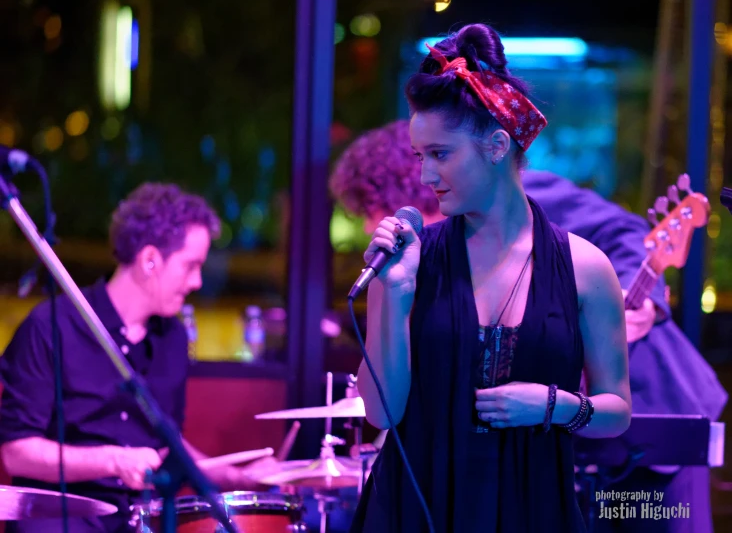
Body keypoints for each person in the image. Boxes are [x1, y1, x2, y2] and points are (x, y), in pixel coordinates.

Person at [331, 132, 726, 530]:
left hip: (655, 403)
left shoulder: (523, 201)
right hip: (560, 433)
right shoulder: (440, 253)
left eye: (372, 207)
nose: (372, 224)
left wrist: (630, 297)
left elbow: (626, 232)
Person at [344, 23, 632, 533]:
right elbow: (381, 413)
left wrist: (557, 406)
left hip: (532, 506)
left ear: (497, 146)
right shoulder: (408, 262)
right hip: (414, 508)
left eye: (440, 154)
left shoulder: (586, 267)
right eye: (419, 156)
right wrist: (396, 294)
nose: (425, 176)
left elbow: (617, 412)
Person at [0, 183, 270, 533]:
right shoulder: (50, 327)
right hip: (60, 522)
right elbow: (17, 452)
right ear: (150, 260)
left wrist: (237, 476)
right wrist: (113, 460)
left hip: (141, 520)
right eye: (190, 266)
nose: (197, 282)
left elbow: (165, 445)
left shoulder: (171, 338)